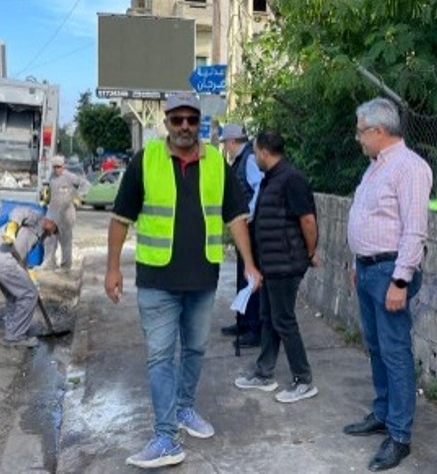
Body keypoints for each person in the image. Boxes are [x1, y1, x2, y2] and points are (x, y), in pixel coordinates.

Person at [104, 92, 262, 469]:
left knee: (195, 350)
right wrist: (112, 268)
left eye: (192, 120)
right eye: (178, 120)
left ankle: (185, 408)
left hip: (202, 279)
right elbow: (120, 219)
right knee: (160, 356)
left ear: (200, 124)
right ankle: (165, 437)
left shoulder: (217, 163)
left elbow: (236, 217)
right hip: (157, 280)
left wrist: (250, 264)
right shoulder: (146, 160)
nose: (185, 126)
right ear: (167, 123)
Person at [343, 98, 432, 471]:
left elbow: (414, 230)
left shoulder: (409, 168)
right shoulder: (375, 168)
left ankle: (399, 435)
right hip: (369, 270)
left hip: (389, 272)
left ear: (379, 131)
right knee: (377, 347)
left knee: (395, 352)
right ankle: (382, 413)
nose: (358, 138)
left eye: (361, 132)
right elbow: (367, 218)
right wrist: (356, 263)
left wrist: (400, 280)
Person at [233, 131, 320, 403]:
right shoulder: (271, 178)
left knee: (283, 319)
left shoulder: (291, 179)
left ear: (263, 152)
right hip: (272, 263)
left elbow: (307, 220)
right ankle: (264, 372)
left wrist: (310, 252)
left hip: (286, 263)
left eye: (255, 151)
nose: (253, 156)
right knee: (269, 317)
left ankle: (303, 379)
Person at [0, 206, 58, 348]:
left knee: (14, 295)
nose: (50, 234)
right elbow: (19, 211)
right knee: (29, 294)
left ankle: (12, 332)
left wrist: (30, 277)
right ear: (50, 221)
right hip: (1, 258)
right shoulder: (38, 219)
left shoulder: (36, 234)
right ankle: (16, 336)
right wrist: (12, 227)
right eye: (53, 228)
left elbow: (21, 259)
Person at [219, 123, 263, 348]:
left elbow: (259, 186)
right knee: (242, 275)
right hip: (243, 225)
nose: (225, 148)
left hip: (250, 227)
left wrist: (250, 214)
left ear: (232, 141)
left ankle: (254, 328)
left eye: (225, 143)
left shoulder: (249, 159)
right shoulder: (241, 159)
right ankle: (244, 322)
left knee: (250, 276)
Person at [42, 155, 91, 270]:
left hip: (66, 213)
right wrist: (46, 197)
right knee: (49, 238)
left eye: (59, 167)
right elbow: (50, 191)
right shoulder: (51, 177)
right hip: (53, 211)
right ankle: (49, 261)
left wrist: (78, 197)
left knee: (65, 240)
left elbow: (86, 184)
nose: (56, 169)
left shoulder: (69, 176)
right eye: (54, 167)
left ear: (63, 166)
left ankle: (66, 265)